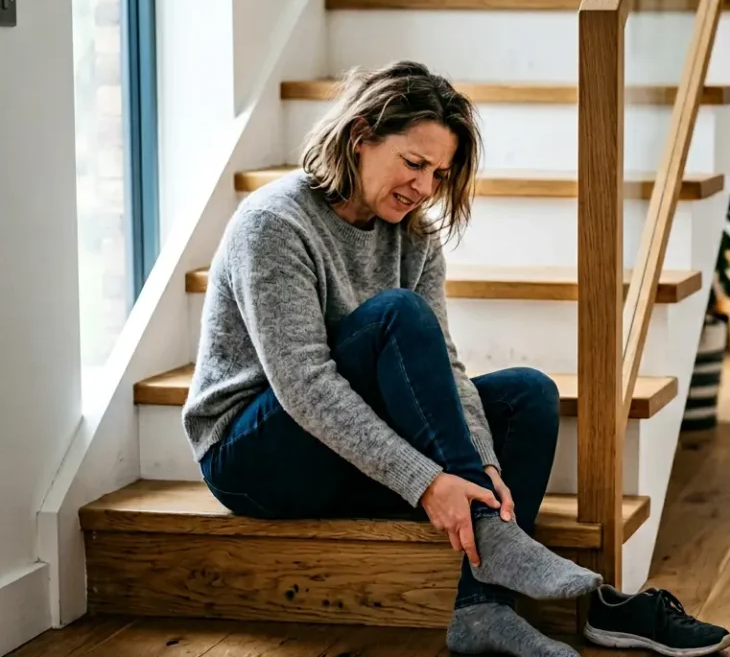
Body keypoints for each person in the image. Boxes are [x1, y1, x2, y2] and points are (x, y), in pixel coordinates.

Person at [181, 60, 600, 657]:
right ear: (360, 138)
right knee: (394, 315)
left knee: (528, 395)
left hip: (348, 452)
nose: (425, 187)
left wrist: (481, 468)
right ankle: (491, 533)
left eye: (439, 172)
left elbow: (448, 369)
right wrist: (429, 483)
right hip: (255, 456)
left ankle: (482, 612)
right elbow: (305, 386)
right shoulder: (274, 223)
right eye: (413, 163)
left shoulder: (416, 237)